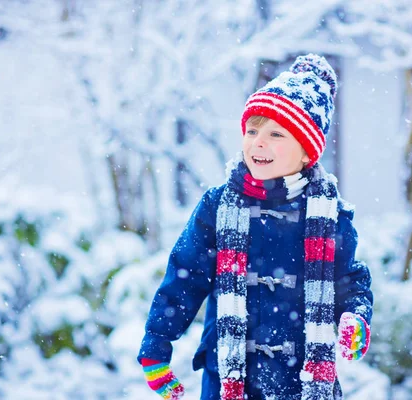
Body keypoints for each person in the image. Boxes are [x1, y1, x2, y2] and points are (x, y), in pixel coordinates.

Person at [137, 54, 373, 400]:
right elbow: (184, 278)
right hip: (229, 377)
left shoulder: (328, 215)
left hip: (301, 380)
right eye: (252, 130)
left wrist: (356, 317)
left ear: (308, 152)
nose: (258, 142)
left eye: (276, 134)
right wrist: (157, 345)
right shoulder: (219, 205)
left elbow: (350, 280)